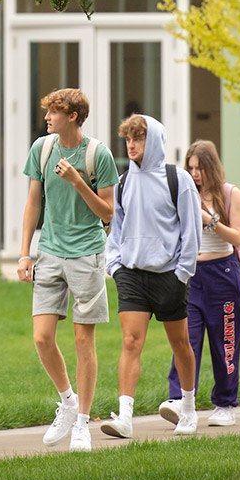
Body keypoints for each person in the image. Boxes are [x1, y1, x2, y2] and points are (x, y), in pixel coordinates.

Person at [17, 88, 120, 452]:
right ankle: (68, 401)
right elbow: (33, 202)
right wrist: (24, 253)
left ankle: (82, 423)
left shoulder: (98, 155)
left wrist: (78, 181)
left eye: (54, 112)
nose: (47, 118)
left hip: (86, 254)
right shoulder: (42, 148)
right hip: (49, 252)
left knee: (82, 340)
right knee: (42, 338)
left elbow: (107, 214)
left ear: (73, 116)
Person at [99, 115, 200, 440]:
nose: (131, 144)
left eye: (138, 138)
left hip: (170, 276)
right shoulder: (124, 180)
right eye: (128, 138)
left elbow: (191, 231)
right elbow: (116, 228)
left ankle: (188, 407)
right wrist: (115, 265)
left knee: (180, 343)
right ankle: (125, 416)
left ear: (153, 140)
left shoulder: (178, 179)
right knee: (130, 342)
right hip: (131, 275)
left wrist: (182, 273)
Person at [161, 140, 240, 428]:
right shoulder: (186, 194)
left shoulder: (229, 193)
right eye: (191, 168)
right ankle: (180, 400)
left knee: (225, 344)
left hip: (222, 273)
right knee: (186, 340)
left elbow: (236, 237)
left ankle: (225, 403)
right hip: (191, 275)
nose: (195, 174)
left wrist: (209, 220)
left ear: (212, 167)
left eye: (200, 168)